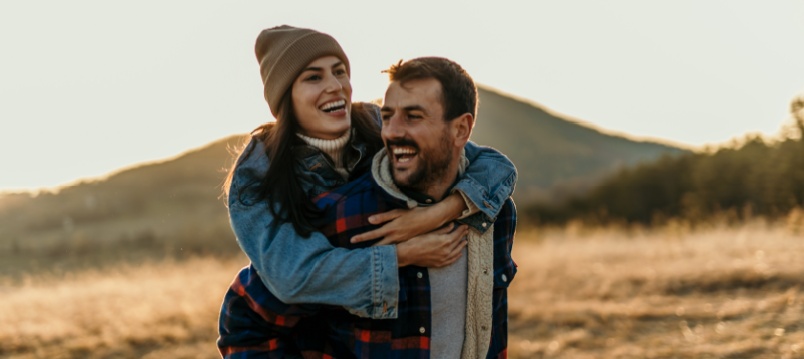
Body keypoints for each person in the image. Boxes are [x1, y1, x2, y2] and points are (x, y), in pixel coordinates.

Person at [218, 26, 516, 356]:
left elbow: (492, 164)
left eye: (340, 71)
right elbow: (292, 276)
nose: (335, 86)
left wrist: (433, 215)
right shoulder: (258, 176)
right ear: (284, 96)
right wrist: (404, 253)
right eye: (314, 77)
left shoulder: (378, 123)